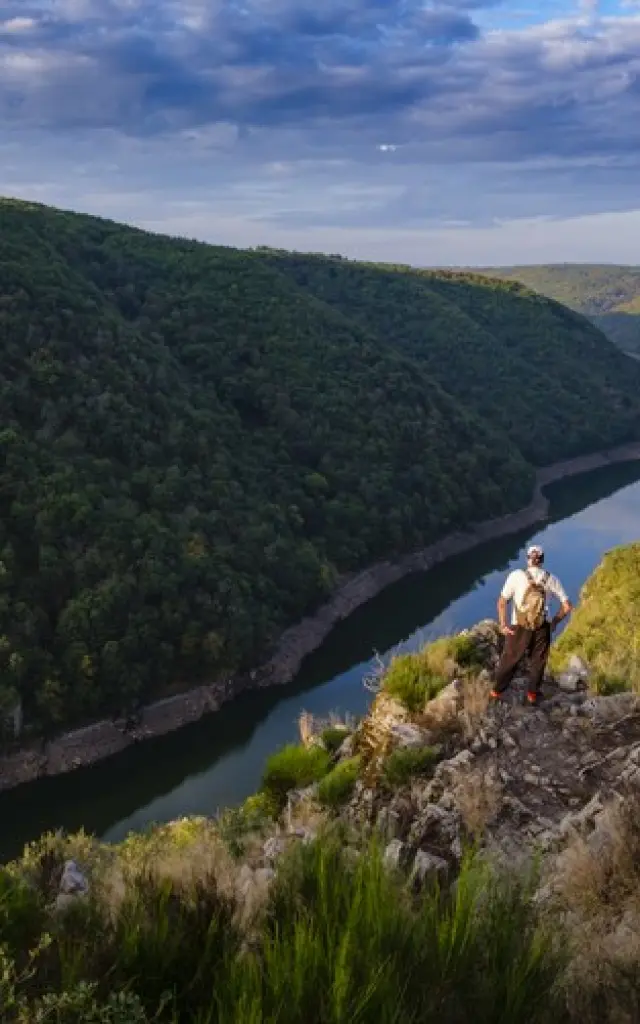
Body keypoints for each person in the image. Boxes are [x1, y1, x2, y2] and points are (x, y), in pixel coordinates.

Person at [491, 544, 573, 707]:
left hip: (519, 626)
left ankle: (496, 692)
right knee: (538, 661)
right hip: (542, 627)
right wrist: (554, 623)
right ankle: (532, 695)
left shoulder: (516, 575)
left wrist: (503, 624)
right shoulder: (551, 579)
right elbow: (567, 606)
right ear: (542, 560)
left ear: (528, 559)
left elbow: (502, 602)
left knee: (510, 659)